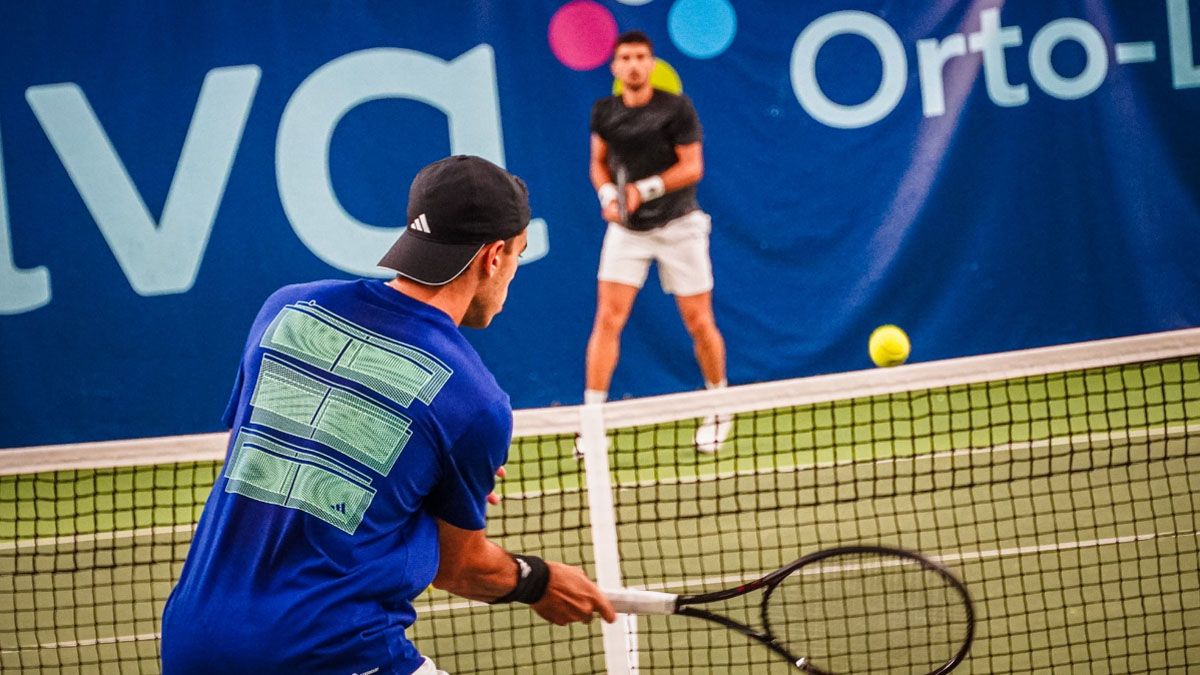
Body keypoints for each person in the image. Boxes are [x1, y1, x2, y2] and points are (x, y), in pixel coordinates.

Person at [162, 155, 615, 675]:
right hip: (327, 654)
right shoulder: (474, 400)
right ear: (493, 256)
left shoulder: (285, 311)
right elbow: (459, 568)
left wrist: (420, 482)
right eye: (518, 255)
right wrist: (536, 579)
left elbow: (281, 453)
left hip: (191, 643)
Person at [583, 30, 731, 454]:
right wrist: (610, 195)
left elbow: (692, 167)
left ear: (651, 65)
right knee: (607, 320)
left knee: (698, 321)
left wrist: (641, 191)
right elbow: (598, 163)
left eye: (640, 57)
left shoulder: (676, 109)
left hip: (680, 226)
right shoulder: (603, 112)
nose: (633, 64)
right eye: (625, 57)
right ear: (614, 67)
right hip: (627, 232)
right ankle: (593, 421)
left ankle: (719, 407)